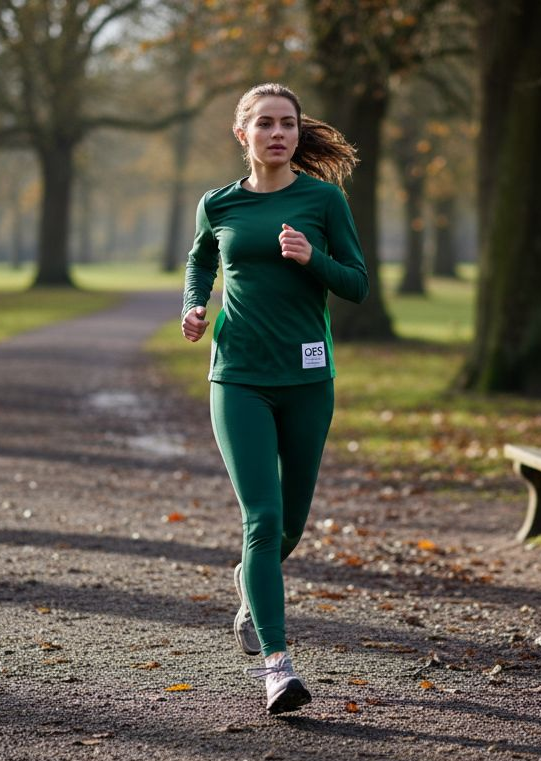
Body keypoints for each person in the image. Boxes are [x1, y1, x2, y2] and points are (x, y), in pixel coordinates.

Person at [180, 83, 368, 715]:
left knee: (290, 526)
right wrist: (195, 305)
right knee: (260, 520)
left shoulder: (323, 199)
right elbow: (200, 261)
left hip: (309, 380)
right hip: (237, 378)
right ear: (244, 134)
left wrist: (313, 257)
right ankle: (277, 666)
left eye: (287, 123)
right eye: (265, 123)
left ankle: (247, 583)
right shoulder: (219, 204)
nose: (278, 133)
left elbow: (358, 284)